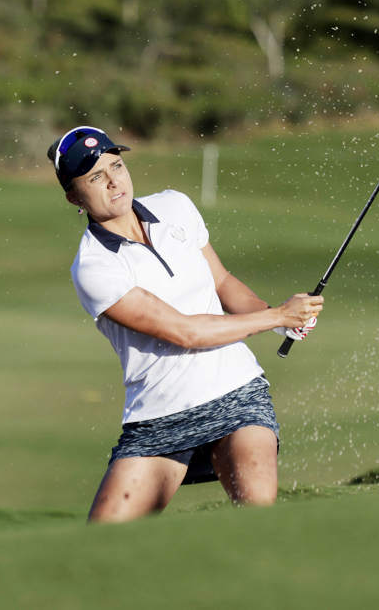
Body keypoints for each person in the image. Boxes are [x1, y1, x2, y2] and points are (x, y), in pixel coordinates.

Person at [49, 126, 322, 523]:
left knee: (259, 522)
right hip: (159, 416)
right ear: (74, 196)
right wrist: (278, 316)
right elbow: (184, 332)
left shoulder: (175, 206)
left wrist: (278, 317)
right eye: (95, 177)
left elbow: (223, 282)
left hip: (237, 395)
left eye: (116, 166)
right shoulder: (94, 267)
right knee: (101, 540)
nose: (113, 181)